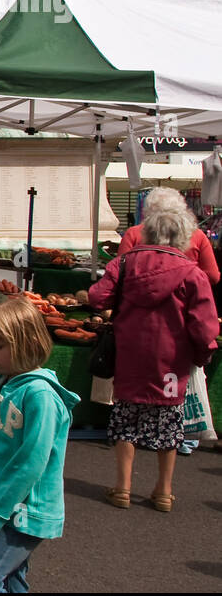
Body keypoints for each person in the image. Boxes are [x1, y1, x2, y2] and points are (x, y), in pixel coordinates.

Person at [90, 207, 218, 513]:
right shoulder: (192, 272)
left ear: (146, 233)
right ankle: (163, 490)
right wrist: (204, 353)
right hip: (171, 358)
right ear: (183, 237)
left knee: (126, 418)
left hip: (131, 353)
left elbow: (97, 298)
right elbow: (204, 324)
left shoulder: (124, 263)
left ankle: (122, 487)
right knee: (168, 422)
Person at [0, 300, 78, 593]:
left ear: (30, 343)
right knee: (10, 580)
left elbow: (32, 461)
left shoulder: (39, 395)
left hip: (23, 511)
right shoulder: (9, 384)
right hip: (14, 507)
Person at [118, 187, 219, 455]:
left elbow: (113, 281)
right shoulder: (197, 241)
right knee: (171, 402)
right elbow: (213, 277)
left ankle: (124, 484)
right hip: (178, 331)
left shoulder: (133, 235)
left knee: (130, 402)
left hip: (136, 331)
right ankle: (164, 489)